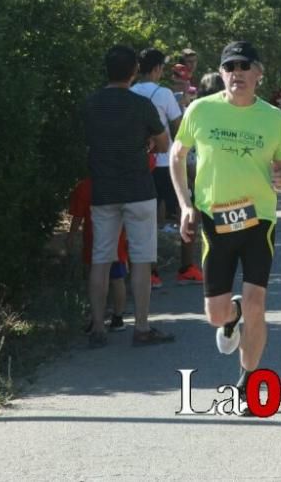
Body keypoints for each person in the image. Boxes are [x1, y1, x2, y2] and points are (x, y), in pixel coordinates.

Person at [169, 40, 281, 416]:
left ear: (258, 73)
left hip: (259, 220)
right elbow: (177, 154)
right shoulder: (201, 110)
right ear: (221, 73)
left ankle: (248, 383)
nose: (236, 72)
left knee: (258, 304)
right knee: (216, 316)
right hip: (214, 220)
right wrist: (185, 205)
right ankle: (232, 316)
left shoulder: (274, 118)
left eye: (244, 65)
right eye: (229, 66)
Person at [82, 45, 174, 348]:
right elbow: (163, 144)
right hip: (138, 189)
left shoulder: (90, 104)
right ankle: (142, 327)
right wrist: (146, 143)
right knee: (142, 260)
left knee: (101, 260)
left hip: (103, 190)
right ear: (134, 71)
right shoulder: (140, 105)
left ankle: (98, 327)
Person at [131, 49, 204, 287]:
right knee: (188, 211)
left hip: (142, 163)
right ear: (156, 69)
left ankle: (151, 273)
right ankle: (187, 267)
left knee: (148, 218)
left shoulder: (130, 92)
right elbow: (179, 127)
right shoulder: (162, 93)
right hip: (166, 163)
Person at [67, 177, 129, 334]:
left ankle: (97, 320)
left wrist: (71, 236)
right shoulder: (120, 184)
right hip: (117, 240)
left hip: (94, 241)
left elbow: (78, 216)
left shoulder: (85, 186)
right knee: (117, 279)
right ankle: (118, 317)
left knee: (96, 278)